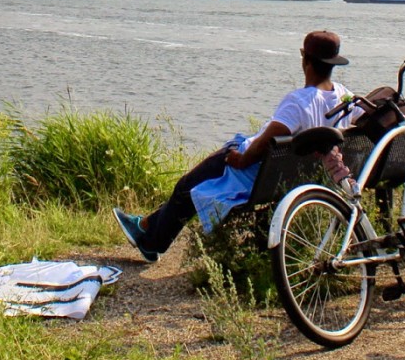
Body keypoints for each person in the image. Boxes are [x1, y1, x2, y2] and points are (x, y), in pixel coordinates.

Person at [113, 29, 353, 262]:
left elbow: (269, 140)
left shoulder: (298, 103)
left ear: (305, 60)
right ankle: (145, 226)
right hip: (289, 179)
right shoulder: (344, 97)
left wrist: (240, 159)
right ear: (333, 63)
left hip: (252, 173)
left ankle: (150, 242)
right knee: (192, 185)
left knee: (186, 187)